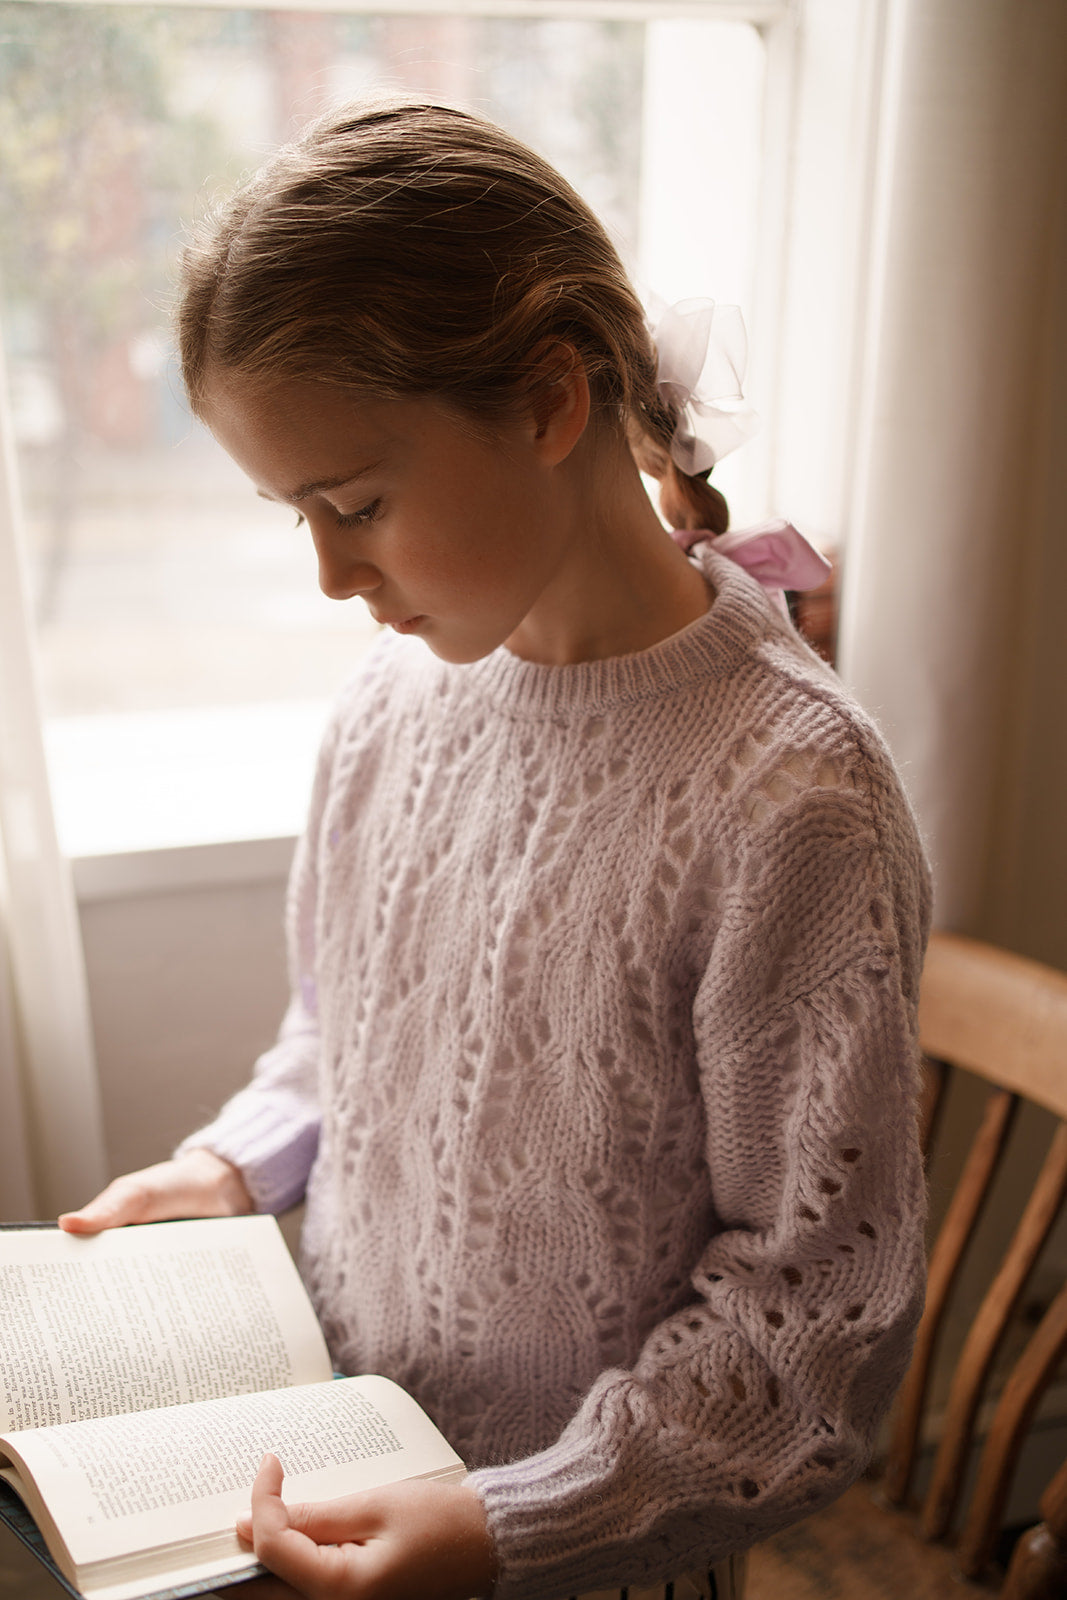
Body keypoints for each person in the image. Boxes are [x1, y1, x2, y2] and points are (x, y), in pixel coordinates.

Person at [59, 100, 931, 1600]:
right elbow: (343, 1040)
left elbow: (806, 1336)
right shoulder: (388, 708)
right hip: (342, 1486)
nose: (330, 573)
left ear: (547, 404)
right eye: (293, 518)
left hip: (583, 1557)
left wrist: (507, 1523)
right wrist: (230, 1167)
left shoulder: (793, 802)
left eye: (356, 504)